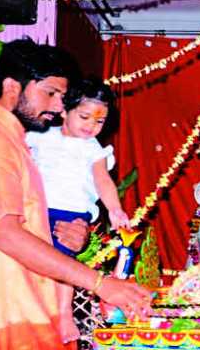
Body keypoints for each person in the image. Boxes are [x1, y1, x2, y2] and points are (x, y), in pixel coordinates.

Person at [0, 39, 152, 350]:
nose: (59, 108)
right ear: (13, 87)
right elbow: (6, 235)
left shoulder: (17, 142)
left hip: (19, 312)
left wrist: (77, 234)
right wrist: (101, 284)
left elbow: (30, 223)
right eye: (50, 93)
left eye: (62, 97)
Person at [25, 78, 130, 256]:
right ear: (64, 111)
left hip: (71, 216)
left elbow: (102, 180)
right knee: (30, 256)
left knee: (57, 262)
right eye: (84, 117)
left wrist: (115, 209)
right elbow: (7, 138)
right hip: (35, 208)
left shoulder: (94, 150)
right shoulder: (40, 135)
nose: (91, 125)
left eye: (100, 121)